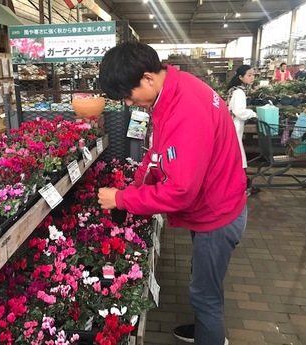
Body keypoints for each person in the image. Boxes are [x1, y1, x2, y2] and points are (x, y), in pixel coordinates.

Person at [97, 41, 247, 345]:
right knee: (204, 284)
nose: (128, 104)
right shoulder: (174, 90)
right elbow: (159, 151)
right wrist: (137, 185)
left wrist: (123, 199)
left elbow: (180, 192)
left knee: (205, 295)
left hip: (216, 214)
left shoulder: (185, 111)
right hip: (216, 199)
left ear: (148, 79)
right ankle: (205, 328)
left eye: (128, 95)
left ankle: (210, 335)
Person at [226, 65, 260, 196]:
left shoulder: (233, 90)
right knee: (239, 160)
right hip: (234, 130)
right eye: (249, 75)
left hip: (230, 129)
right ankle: (243, 187)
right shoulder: (239, 92)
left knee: (236, 159)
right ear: (241, 77)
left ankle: (244, 184)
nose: (252, 78)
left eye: (253, 75)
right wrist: (253, 113)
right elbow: (239, 111)